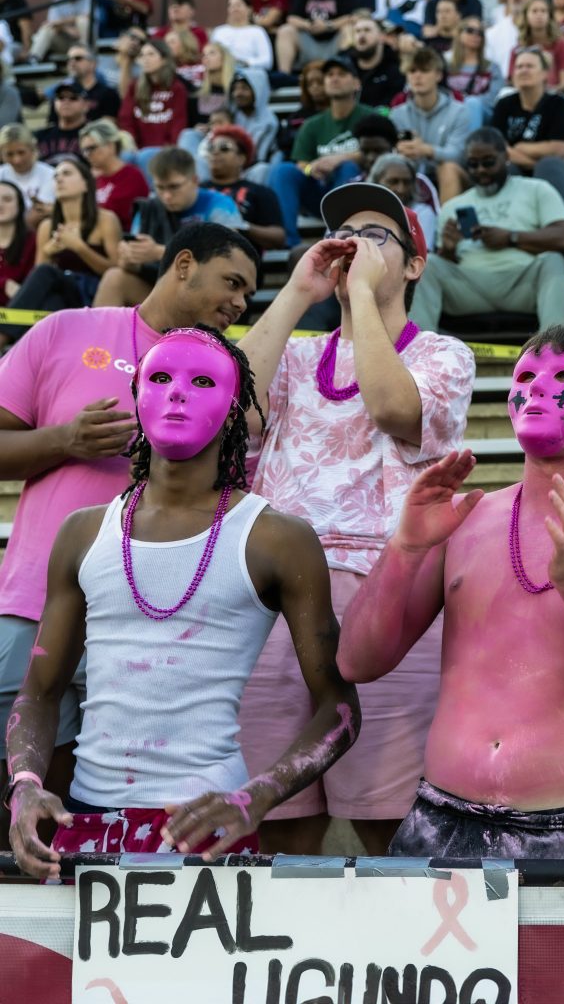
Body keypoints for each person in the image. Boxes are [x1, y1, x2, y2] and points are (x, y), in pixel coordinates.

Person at [4, 323, 360, 877]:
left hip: (208, 824)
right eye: (162, 377)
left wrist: (258, 796)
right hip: (86, 820)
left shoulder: (277, 539)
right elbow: (40, 692)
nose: (177, 392)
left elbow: (339, 708)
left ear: (235, 404)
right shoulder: (83, 532)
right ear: (138, 393)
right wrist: (25, 786)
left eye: (201, 380)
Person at [338, 322, 564, 859]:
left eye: (563, 378)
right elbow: (355, 662)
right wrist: (405, 549)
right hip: (439, 821)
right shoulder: (464, 519)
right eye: (525, 375)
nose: (535, 389)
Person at [0, 223, 261, 849]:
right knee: (17, 789)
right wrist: (64, 440)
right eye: (232, 283)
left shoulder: (224, 375)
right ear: (183, 265)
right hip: (34, 600)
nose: (240, 304)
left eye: (250, 294)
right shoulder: (66, 331)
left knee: (72, 820)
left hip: (156, 624)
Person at [232, 184, 473, 856]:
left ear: (416, 265)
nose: (354, 245)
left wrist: (362, 296)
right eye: (343, 235)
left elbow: (398, 410)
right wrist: (297, 292)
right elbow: (235, 412)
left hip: (388, 597)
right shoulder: (301, 354)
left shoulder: (443, 354)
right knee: (277, 820)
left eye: (377, 235)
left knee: (388, 819)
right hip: (275, 598)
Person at [415, 127, 564, 331]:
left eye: (488, 162)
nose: (480, 170)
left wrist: (510, 238)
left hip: (523, 284)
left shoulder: (536, 189)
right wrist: (448, 249)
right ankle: (422, 353)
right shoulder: (453, 206)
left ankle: (555, 351)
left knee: (555, 261)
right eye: (473, 164)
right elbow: (445, 263)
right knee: (426, 265)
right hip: (468, 288)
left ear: (506, 156)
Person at [94, 149, 247, 308]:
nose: (166, 196)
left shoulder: (219, 204)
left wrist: (160, 252)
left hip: (206, 295)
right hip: (162, 290)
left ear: (194, 180)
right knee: (114, 277)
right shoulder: (150, 208)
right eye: (160, 188)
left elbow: (230, 256)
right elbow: (135, 262)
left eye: (174, 187)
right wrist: (129, 260)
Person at [265, 57, 373, 247]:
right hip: (320, 192)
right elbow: (301, 163)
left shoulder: (370, 116)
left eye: (341, 74)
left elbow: (376, 154)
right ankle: (289, 242)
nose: (334, 79)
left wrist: (338, 159)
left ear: (356, 83)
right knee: (282, 171)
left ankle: (340, 236)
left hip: (360, 191)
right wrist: (311, 168)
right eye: (330, 75)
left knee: (347, 167)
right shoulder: (312, 124)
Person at [9, 156, 120, 314]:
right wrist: (48, 252)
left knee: (48, 278)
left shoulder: (105, 219)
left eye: (67, 174)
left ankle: (4, 330)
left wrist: (79, 247)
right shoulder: (47, 226)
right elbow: (37, 280)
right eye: (55, 176)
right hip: (63, 296)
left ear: (86, 184)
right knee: (51, 299)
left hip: (95, 294)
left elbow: (116, 271)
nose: (59, 179)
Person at [493, 47, 564, 213]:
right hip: (524, 179)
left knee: (550, 165)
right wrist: (535, 162)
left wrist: (519, 148)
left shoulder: (559, 104)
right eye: (519, 67)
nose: (523, 70)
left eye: (530, 66)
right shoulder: (504, 105)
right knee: (507, 169)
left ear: (545, 74)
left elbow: (560, 149)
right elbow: (498, 151)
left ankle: (556, 229)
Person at [389, 47, 478, 204]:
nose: (417, 76)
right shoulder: (397, 114)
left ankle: (445, 226)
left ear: (438, 75)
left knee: (447, 168)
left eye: (424, 70)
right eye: (412, 71)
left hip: (452, 178)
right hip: (411, 174)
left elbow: (458, 155)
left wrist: (425, 150)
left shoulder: (459, 111)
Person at [202, 125, 285, 253]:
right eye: (211, 148)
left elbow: (279, 238)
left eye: (224, 148)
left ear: (242, 159)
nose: (215, 152)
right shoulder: (196, 190)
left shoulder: (260, 192)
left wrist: (243, 226)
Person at [276, 0, 359, 75]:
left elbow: (351, 17)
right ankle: (284, 75)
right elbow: (291, 18)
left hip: (335, 43)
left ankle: (347, 70)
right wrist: (308, 25)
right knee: (285, 31)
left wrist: (328, 25)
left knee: (349, 29)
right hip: (310, 43)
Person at [118, 39, 190, 163]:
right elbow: (126, 120)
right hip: (136, 152)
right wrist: (131, 146)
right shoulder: (134, 87)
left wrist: (170, 151)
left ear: (164, 59)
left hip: (166, 153)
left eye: (151, 54)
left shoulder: (177, 88)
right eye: (142, 55)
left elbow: (178, 123)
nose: (145, 59)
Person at [76, 119, 147, 228]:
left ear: (110, 146)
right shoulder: (94, 178)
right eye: (84, 150)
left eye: (91, 148)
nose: (87, 155)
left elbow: (114, 215)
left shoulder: (131, 176)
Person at [513, 0, 564, 93]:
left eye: (543, 11)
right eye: (534, 11)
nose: (539, 15)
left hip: (554, 96)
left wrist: (543, 93)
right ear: (526, 16)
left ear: (549, 16)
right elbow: (515, 83)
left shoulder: (562, 45)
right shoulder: (518, 49)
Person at [28, 0, 92, 62]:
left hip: (84, 41)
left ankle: (85, 54)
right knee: (46, 29)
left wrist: (62, 22)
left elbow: (88, 18)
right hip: (64, 41)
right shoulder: (57, 0)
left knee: (83, 21)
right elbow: (53, 24)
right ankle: (33, 58)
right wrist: (68, 29)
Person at [0, 125, 57, 231]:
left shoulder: (49, 174)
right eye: (9, 154)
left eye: (21, 152)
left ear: (32, 149)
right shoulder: (1, 173)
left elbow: (38, 214)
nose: (17, 160)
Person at [58, 47, 121, 125]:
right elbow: (54, 125)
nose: (72, 62)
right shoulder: (60, 93)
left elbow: (108, 128)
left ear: (93, 64)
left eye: (78, 58)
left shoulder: (109, 94)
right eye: (69, 59)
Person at [213, 0, 274, 71]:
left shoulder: (257, 31)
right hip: (222, 73)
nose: (234, 8)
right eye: (231, 5)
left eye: (238, 5)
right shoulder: (219, 31)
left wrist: (245, 63)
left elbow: (267, 61)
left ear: (249, 9)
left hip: (249, 73)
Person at [35, 80, 89, 162]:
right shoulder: (40, 136)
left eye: (73, 98)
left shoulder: (93, 136)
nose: (66, 102)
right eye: (61, 97)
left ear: (85, 105)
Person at [0, 179, 35, 303]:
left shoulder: (32, 240)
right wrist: (4, 284)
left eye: (7, 199)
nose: (0, 205)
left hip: (20, 308)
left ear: (20, 205)